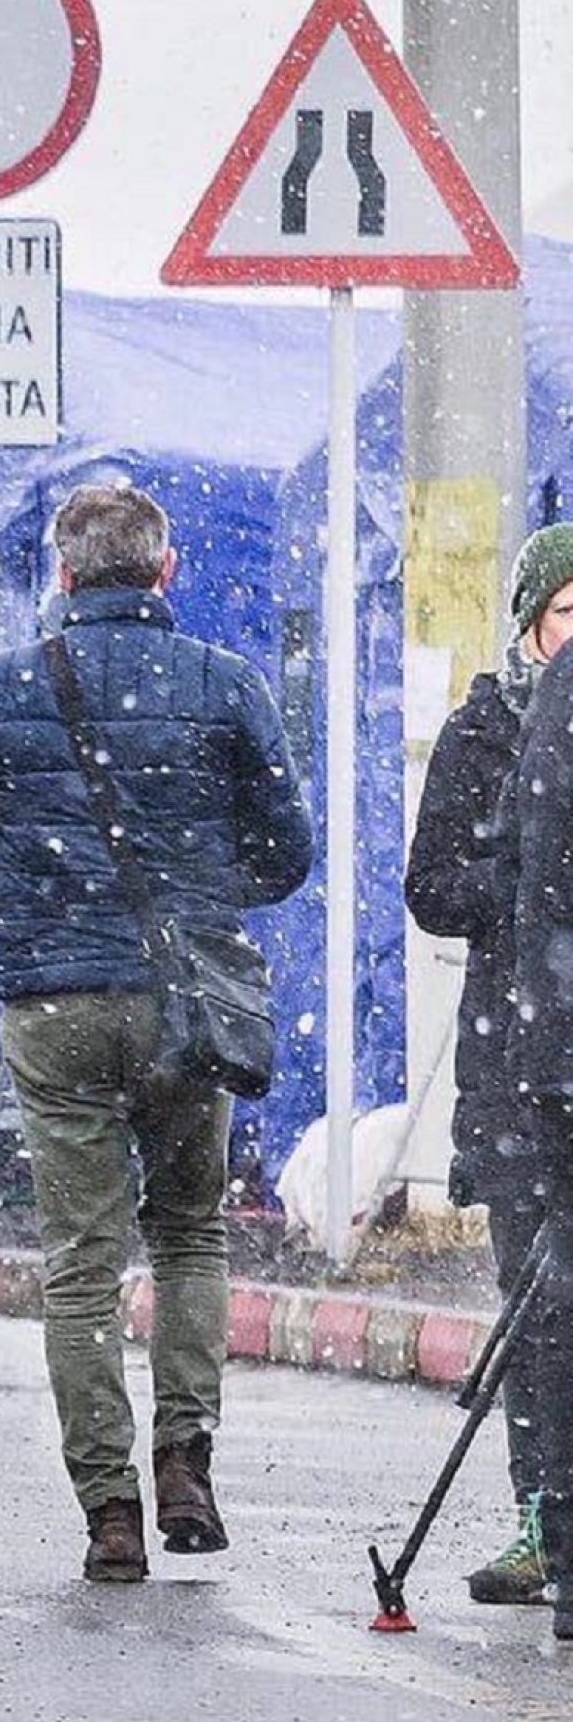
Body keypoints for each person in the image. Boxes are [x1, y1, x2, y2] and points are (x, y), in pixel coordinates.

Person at [0, 484, 312, 1584]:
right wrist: (195, 893)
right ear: (164, 571)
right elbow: (287, 850)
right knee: (190, 1232)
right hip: (186, 1000)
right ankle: (185, 1459)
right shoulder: (225, 685)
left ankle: (109, 1513)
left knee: (81, 1265)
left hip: (54, 1004)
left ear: (60, 574)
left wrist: (39, 904)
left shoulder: (2, 691)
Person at [405, 524, 573, 1606]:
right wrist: (521, 883)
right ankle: (542, 1517)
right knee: (538, 1301)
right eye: (567, 613)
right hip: (520, 1055)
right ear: (530, 623)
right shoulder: (488, 729)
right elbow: (436, 886)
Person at [498, 534, 573, 1644]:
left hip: (555, 1046)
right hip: (553, 1051)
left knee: (560, 1311)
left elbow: (533, 864)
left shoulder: (558, 704)